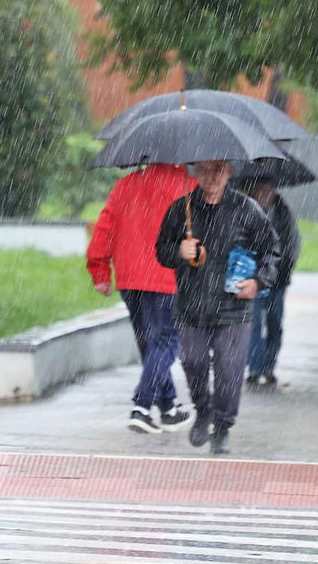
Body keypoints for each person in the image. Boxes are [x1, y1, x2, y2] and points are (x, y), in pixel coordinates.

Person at [155, 159, 279, 456]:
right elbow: (161, 250)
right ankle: (203, 409)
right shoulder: (181, 209)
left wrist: (258, 281)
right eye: (205, 170)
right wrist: (178, 250)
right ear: (195, 172)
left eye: (218, 170)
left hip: (233, 308)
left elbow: (272, 250)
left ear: (229, 173)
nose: (211, 177)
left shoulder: (246, 209)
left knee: (229, 368)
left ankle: (222, 427)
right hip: (191, 306)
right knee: (193, 361)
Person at [86, 162, 196, 435]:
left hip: (129, 277)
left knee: (151, 345)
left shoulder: (125, 185)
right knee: (165, 342)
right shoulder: (187, 186)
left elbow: (104, 228)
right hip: (166, 277)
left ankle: (168, 408)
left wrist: (99, 270)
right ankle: (142, 407)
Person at [240, 176, 300, 388]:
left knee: (275, 323)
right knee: (253, 324)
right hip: (253, 278)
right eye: (261, 190)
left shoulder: (283, 214)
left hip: (277, 279)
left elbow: (292, 243)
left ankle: (269, 366)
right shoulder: (244, 211)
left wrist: (283, 266)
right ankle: (256, 368)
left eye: (269, 190)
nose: (265, 194)